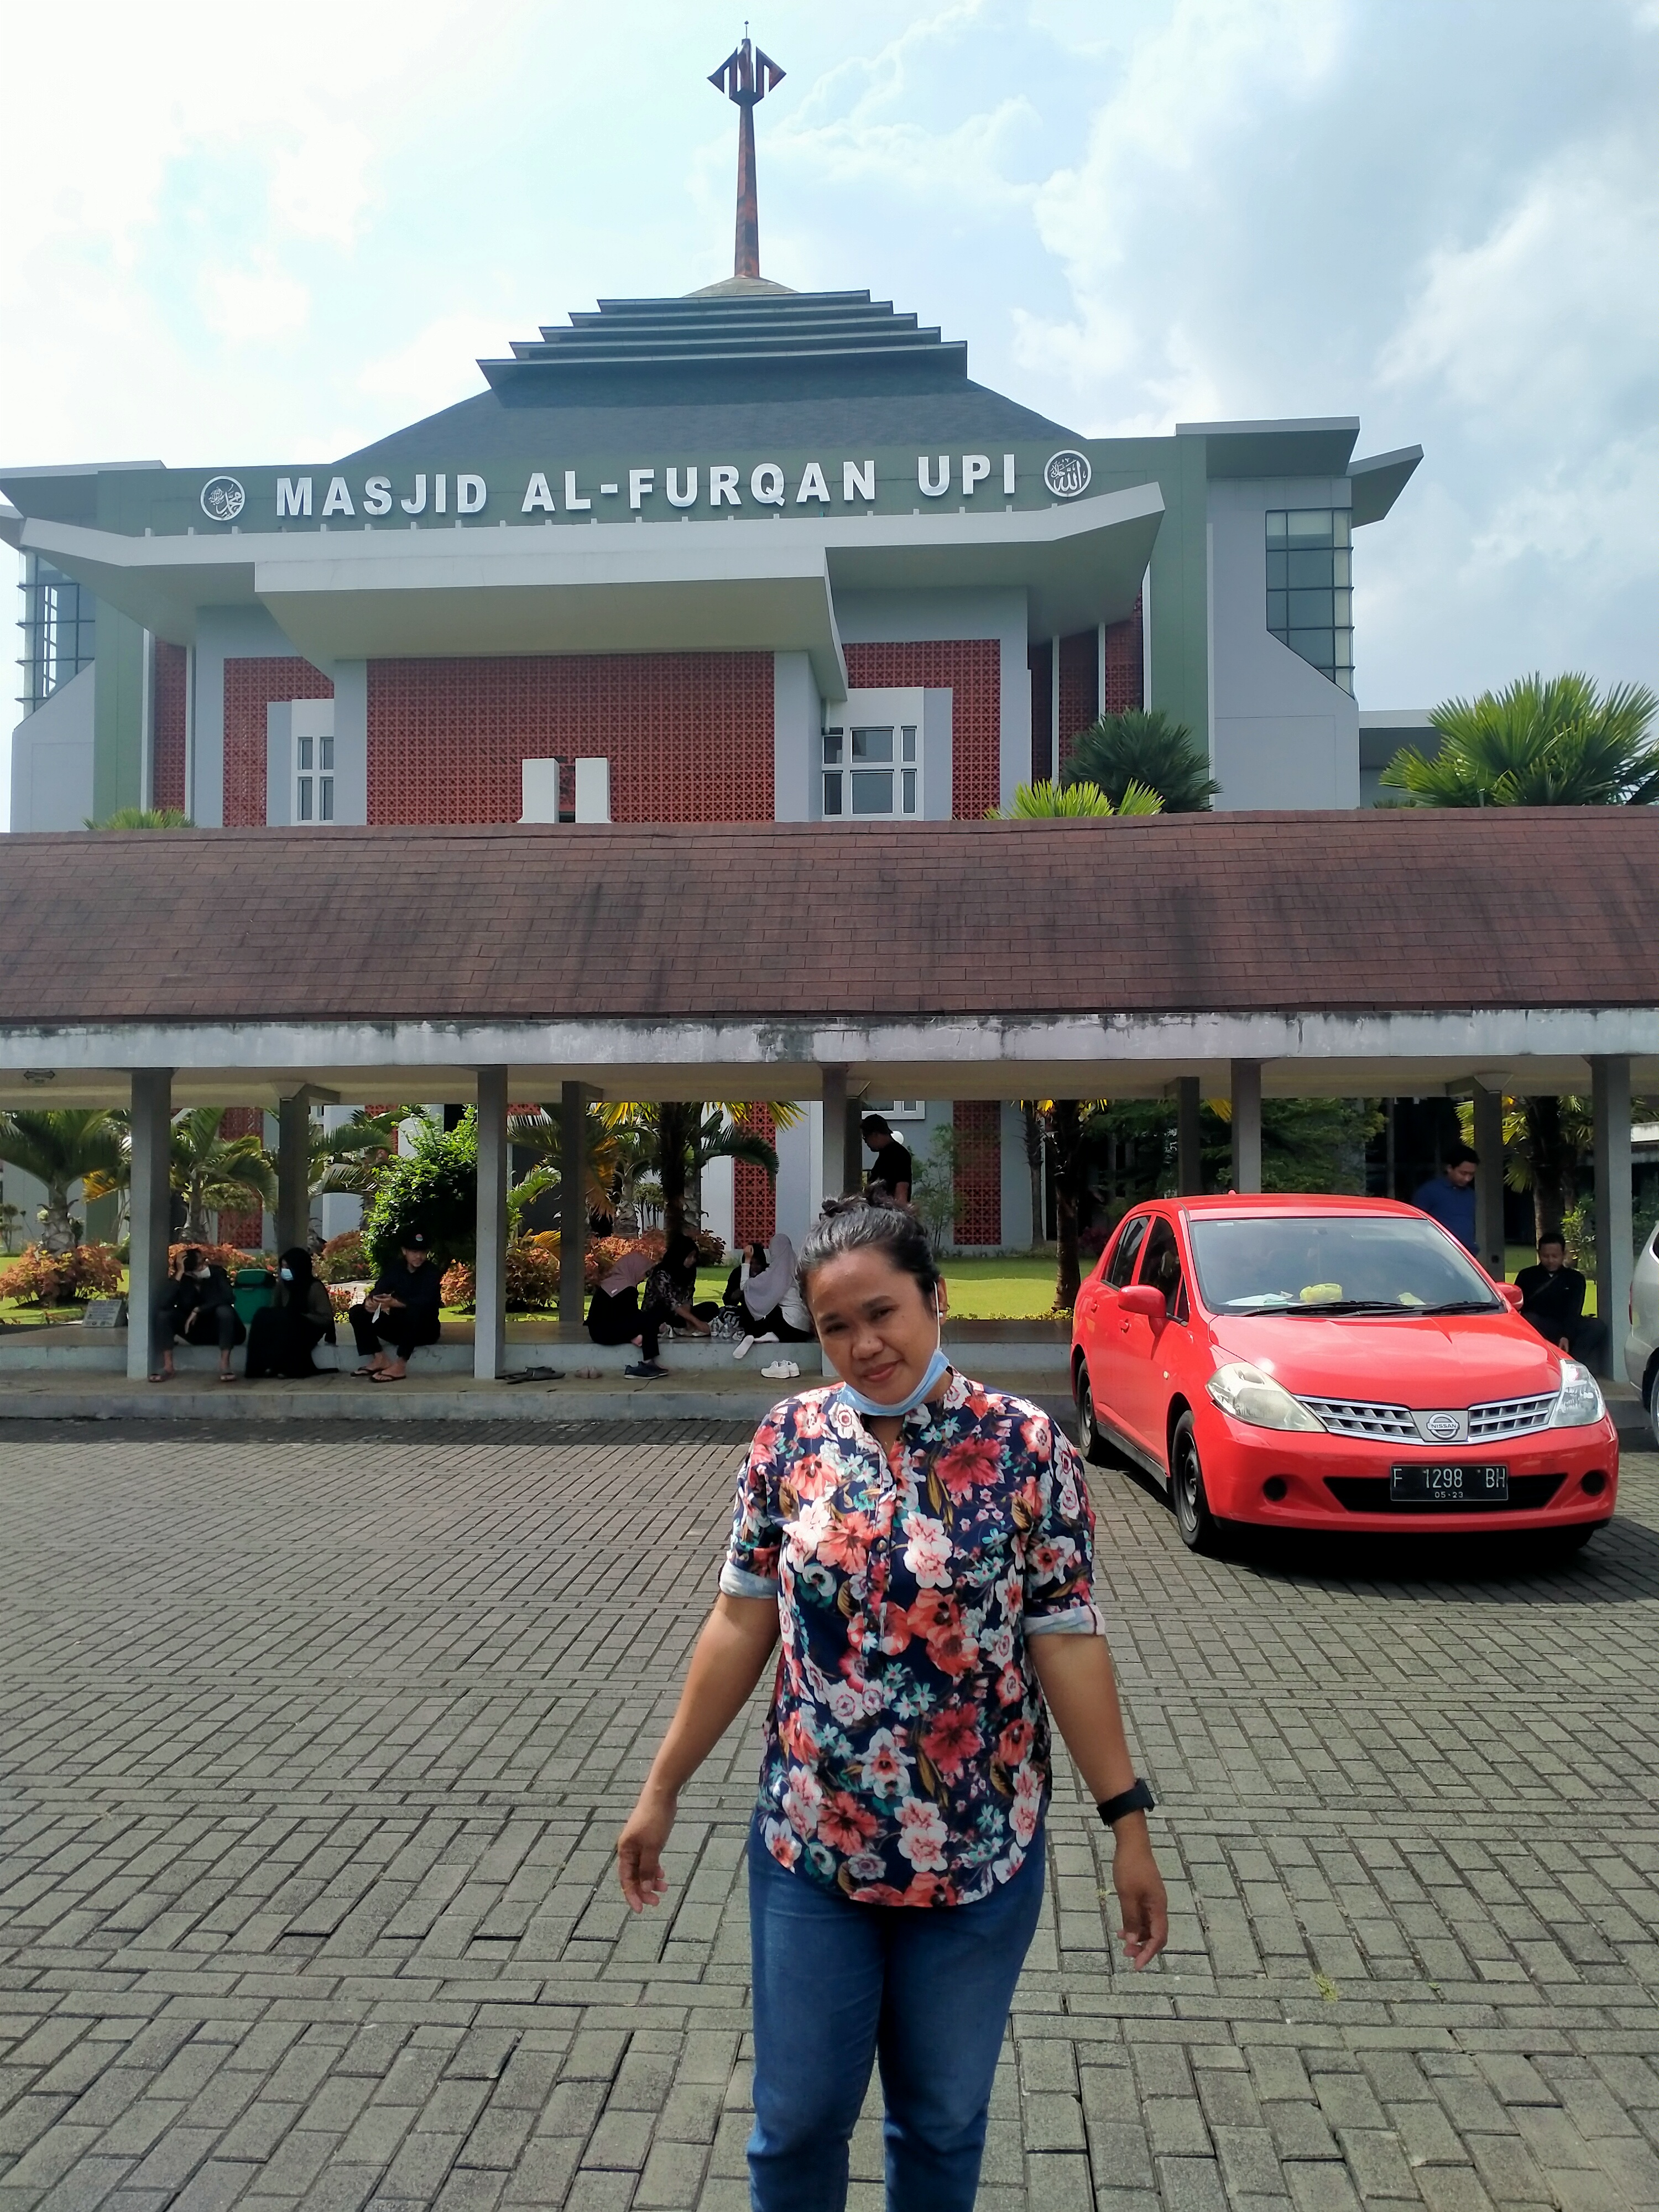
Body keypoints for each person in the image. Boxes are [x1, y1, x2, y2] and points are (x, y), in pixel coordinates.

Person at [617, 1197, 1167, 2211]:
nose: (864, 1345)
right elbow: (740, 1621)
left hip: (978, 1853)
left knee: (942, 2123)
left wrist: (1126, 1823)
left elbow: (1066, 1638)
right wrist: (661, 1789)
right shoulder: (789, 1439)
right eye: (836, 1326)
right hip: (813, 1848)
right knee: (796, 2125)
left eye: (883, 1313)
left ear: (936, 1299)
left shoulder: (1026, 1446)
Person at [349, 1228, 442, 1380]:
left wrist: (396, 1303)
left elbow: (427, 1302)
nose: (418, 1257)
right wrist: (371, 1302)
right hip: (400, 1327)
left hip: (424, 1330)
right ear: (405, 1251)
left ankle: (400, 1366)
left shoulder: (431, 1272)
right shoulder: (396, 1268)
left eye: (422, 1252)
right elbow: (380, 1288)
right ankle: (379, 1358)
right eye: (414, 1252)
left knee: (415, 1312)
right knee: (358, 1312)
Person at [1515, 1230, 1609, 1370]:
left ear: (1563, 1255)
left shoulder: (1575, 1278)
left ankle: (1574, 1364)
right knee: (1529, 1320)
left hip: (1566, 1322)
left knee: (1596, 1326)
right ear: (1539, 1254)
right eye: (1546, 1256)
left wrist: (1566, 1335)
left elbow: (1574, 1309)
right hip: (1539, 1324)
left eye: (1555, 1256)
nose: (1550, 1260)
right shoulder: (1527, 1276)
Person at [150, 1246, 244, 1382]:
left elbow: (229, 1297)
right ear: (189, 1272)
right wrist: (179, 1273)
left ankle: (225, 1365)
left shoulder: (216, 1273)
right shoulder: (182, 1279)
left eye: (204, 1261)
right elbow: (164, 1304)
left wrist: (199, 1309)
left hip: (222, 1329)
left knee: (224, 1311)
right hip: (195, 1331)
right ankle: (168, 1367)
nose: (205, 1266)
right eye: (200, 1265)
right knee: (164, 1315)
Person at [627, 1230, 713, 1381]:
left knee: (710, 1307)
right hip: (658, 1313)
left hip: (678, 1314)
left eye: (694, 1257)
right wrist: (697, 1323)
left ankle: (678, 1328)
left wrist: (689, 1321)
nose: (693, 1260)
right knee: (656, 1316)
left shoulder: (690, 1273)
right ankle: (648, 1363)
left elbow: (687, 1299)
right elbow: (671, 1303)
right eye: (690, 1256)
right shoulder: (662, 1274)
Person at [244, 1246, 336, 1379]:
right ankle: (260, 1367)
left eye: (288, 1267)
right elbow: (274, 1308)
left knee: (289, 1319)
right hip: (286, 1322)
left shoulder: (315, 1287)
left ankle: (290, 1368)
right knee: (262, 1315)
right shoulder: (283, 1285)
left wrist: (300, 1317)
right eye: (283, 1267)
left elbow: (326, 1318)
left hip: (308, 1327)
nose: (285, 1271)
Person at [732, 1230, 815, 1360]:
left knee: (763, 1309)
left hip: (788, 1328)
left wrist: (747, 1260)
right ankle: (772, 1335)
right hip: (804, 1331)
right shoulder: (801, 1270)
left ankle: (756, 1335)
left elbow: (745, 1287)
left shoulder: (775, 1273)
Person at [1411, 1142, 1479, 1253]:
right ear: (1449, 1168)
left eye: (1471, 1174)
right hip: (1437, 1253)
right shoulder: (1429, 1192)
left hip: (1466, 1254)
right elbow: (1415, 1227)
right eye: (1463, 1173)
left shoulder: (1470, 1194)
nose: (1467, 1179)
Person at [587, 1249, 654, 1346]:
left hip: (596, 1333)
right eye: (644, 1273)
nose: (644, 1278)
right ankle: (647, 1354)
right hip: (610, 1334)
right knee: (650, 1322)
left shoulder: (606, 1284)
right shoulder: (628, 1289)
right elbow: (632, 1316)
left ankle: (634, 1337)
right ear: (634, 1270)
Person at [861, 1114, 914, 1206]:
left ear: (875, 1134)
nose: (866, 1142)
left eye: (866, 1138)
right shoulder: (887, 1154)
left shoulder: (898, 1155)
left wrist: (899, 1211)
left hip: (888, 1211)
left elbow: (902, 1188)